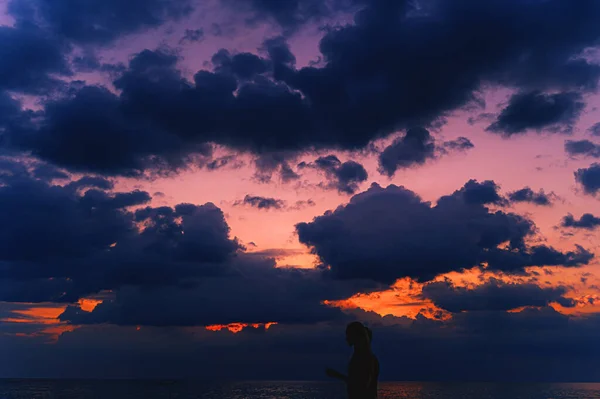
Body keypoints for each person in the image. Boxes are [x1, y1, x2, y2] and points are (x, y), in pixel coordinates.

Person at [326, 322, 379, 398]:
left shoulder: (366, 358)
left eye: (349, 334)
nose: (347, 338)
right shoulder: (362, 356)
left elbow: (361, 386)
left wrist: (337, 375)